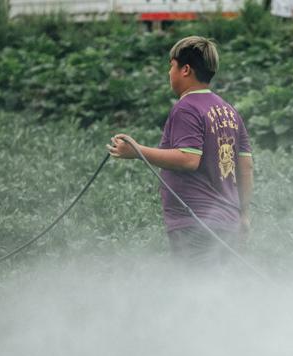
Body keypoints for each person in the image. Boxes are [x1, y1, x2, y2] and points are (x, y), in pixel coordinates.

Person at [107, 36, 254, 266]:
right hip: (227, 222)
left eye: (171, 66)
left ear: (185, 70)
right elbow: (246, 167)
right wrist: (243, 215)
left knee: (196, 292)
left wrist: (137, 151)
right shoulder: (229, 111)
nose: (169, 73)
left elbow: (189, 159)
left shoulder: (186, 108)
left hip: (196, 223)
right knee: (221, 291)